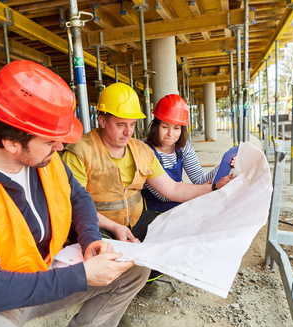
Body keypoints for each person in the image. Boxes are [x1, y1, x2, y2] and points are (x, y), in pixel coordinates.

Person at [0, 60, 149, 327]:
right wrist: (82, 275)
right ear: (11, 142)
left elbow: (78, 197)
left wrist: (91, 239)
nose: (60, 147)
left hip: (44, 271)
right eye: (50, 141)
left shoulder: (44, 156)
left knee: (135, 268)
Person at [62, 83, 233, 244]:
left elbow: (172, 189)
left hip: (135, 220)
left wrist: (214, 187)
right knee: (116, 259)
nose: (128, 132)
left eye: (132, 124)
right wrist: (115, 227)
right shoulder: (79, 152)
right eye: (121, 124)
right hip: (99, 225)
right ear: (102, 121)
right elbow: (77, 205)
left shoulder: (140, 150)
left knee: (182, 231)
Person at [142, 94, 231, 213]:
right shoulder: (145, 152)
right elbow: (165, 194)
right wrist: (209, 188)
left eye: (176, 128)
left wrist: (224, 165)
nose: (170, 133)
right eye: (165, 126)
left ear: (182, 130)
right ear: (155, 126)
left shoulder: (183, 148)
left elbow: (199, 180)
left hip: (178, 200)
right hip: (153, 210)